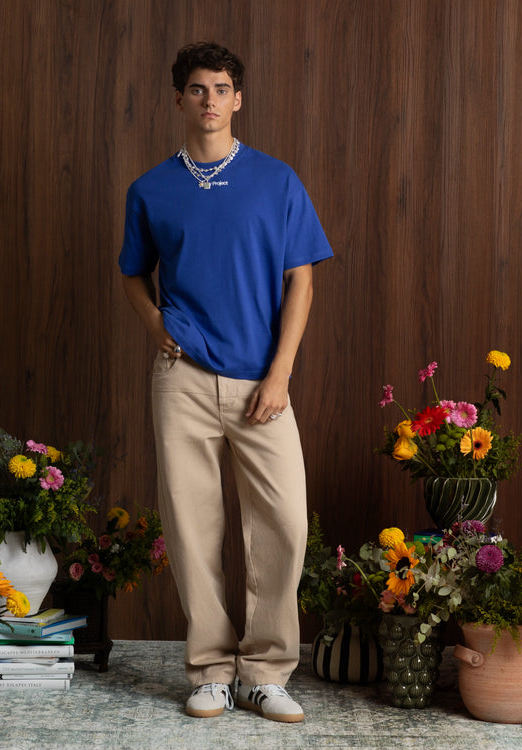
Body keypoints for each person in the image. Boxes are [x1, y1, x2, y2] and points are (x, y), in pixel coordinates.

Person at [119, 42, 333, 723]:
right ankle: (211, 670)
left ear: (237, 99)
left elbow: (301, 279)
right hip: (181, 377)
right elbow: (132, 272)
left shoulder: (277, 181)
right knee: (191, 526)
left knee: (285, 522)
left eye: (220, 88)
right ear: (178, 100)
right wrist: (155, 323)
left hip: (262, 381)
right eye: (196, 88)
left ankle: (264, 673)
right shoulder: (151, 189)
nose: (208, 99)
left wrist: (281, 372)